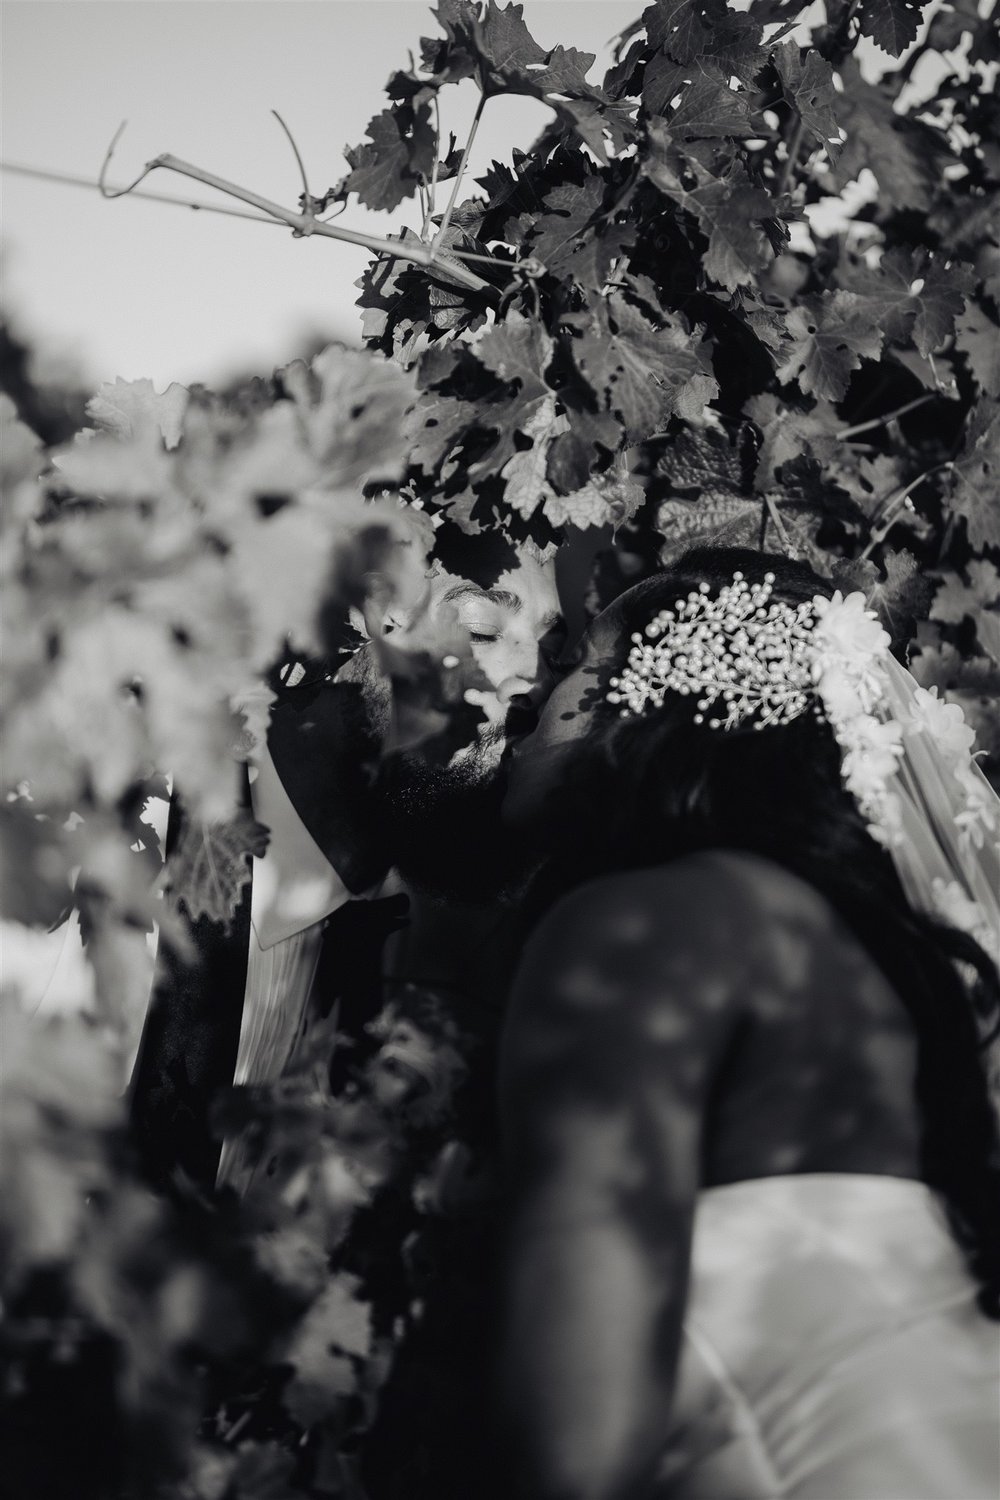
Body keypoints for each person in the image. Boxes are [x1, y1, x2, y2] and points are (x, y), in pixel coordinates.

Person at [497, 546, 1000, 1500]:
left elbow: (575, 1455)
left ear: (649, 702)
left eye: (574, 662)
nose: (535, 699)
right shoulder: (874, 974)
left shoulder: (652, 931)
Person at [129, 532, 565, 1192]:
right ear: (361, 614)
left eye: (555, 645)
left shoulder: (360, 980)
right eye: (481, 628)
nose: (532, 676)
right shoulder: (116, 832)